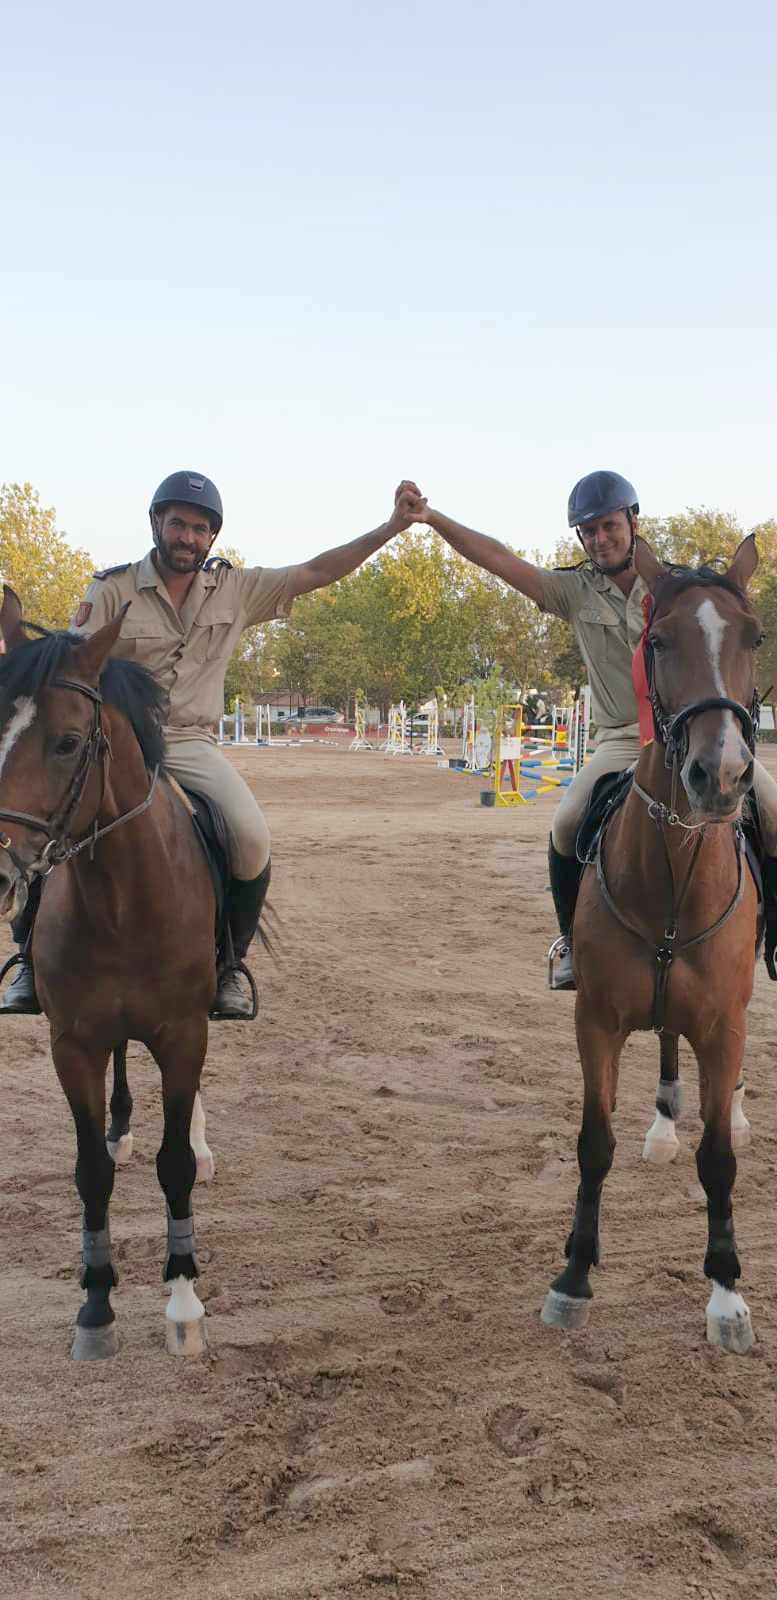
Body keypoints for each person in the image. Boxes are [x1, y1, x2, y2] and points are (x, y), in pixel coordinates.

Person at [1, 471, 419, 1018]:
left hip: (190, 742)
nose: (188, 538)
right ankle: (31, 960)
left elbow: (317, 570)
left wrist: (390, 528)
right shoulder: (112, 588)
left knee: (250, 838)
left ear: (212, 538)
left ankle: (229, 968)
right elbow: (73, 669)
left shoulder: (236, 588)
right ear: (157, 524)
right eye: (178, 524)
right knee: (38, 824)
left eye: (201, 529)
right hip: (116, 742)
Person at [402, 471, 777, 988]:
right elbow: (501, 560)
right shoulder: (574, 593)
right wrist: (433, 519)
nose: (600, 540)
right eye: (588, 531)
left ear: (632, 522)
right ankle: (572, 946)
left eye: (608, 526)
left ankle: (772, 933)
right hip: (623, 739)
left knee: (774, 812)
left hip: (693, 734)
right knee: (566, 823)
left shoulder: (676, 588)